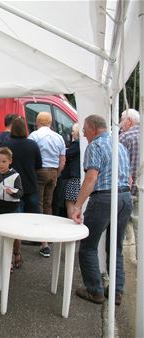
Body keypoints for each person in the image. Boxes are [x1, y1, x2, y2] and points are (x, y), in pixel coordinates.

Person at [72, 114, 132, 306]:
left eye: (84, 131)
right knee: (116, 247)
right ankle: (116, 292)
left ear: (92, 128)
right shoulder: (119, 145)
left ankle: (95, 291)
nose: (83, 135)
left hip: (104, 198)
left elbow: (91, 179)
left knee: (88, 246)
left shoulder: (95, 146)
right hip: (125, 197)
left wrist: (78, 205)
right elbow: (129, 179)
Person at [28, 112, 66, 257]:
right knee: (48, 204)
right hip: (53, 172)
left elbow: (30, 156)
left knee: (38, 203)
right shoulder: (59, 137)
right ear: (50, 122)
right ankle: (47, 236)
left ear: (37, 122)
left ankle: (40, 237)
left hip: (39, 171)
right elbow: (62, 160)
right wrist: (57, 173)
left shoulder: (34, 136)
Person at [0, 148, 23, 269]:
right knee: (2, 236)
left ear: (10, 161)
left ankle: (17, 254)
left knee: (15, 235)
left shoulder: (15, 175)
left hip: (13, 209)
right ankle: (7, 262)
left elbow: (21, 192)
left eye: (3, 161)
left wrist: (12, 192)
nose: (0, 164)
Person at [119, 108, 140, 257]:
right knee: (140, 225)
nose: (120, 123)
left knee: (123, 219)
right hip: (141, 188)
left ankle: (125, 250)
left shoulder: (124, 137)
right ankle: (140, 259)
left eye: (121, 119)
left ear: (129, 121)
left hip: (128, 188)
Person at [60, 123, 80, 218]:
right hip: (80, 177)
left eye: (73, 132)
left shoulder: (76, 144)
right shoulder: (83, 144)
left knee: (70, 203)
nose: (71, 134)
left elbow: (66, 155)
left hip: (74, 178)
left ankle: (72, 223)